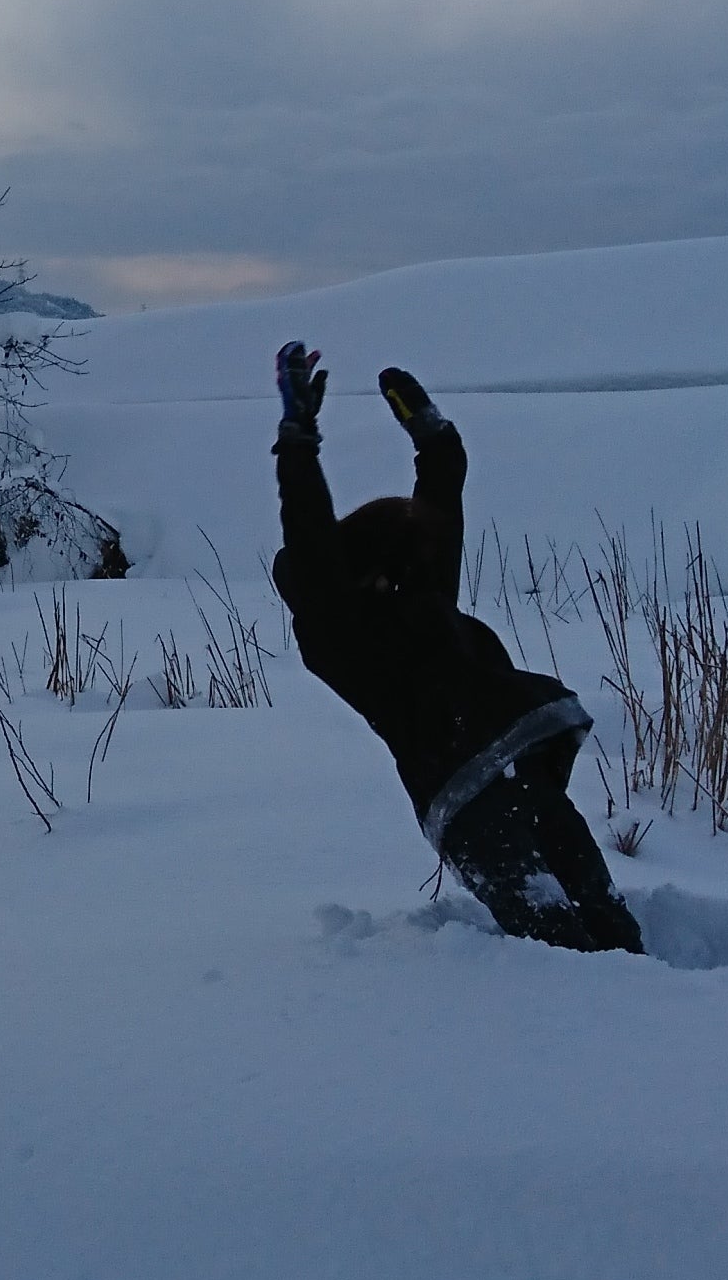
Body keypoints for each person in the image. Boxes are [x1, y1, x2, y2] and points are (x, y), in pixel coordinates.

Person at [269, 342, 645, 953]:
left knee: (597, 916)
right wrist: (296, 437)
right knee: (560, 934)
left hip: (505, 775)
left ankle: (657, 1016)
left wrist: (429, 428)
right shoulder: (338, 636)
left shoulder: (420, 591)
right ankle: (605, 1026)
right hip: (470, 796)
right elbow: (308, 530)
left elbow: (443, 484)